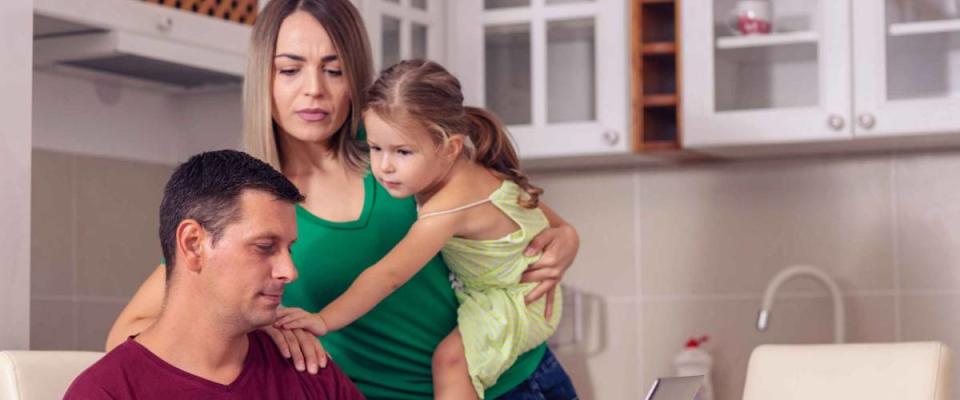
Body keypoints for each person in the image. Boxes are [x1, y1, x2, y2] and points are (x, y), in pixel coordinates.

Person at [106, 1, 581, 398]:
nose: (314, 89)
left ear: (356, 77)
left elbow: (529, 214)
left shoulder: (398, 149)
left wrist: (566, 241)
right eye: (290, 69)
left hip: (518, 382)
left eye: (334, 69)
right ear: (263, 78)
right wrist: (264, 331)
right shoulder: (250, 202)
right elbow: (129, 333)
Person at [274, 59, 573, 400]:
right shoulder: (474, 171)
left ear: (450, 147)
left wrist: (324, 320)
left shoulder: (449, 205)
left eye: (402, 152)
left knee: (450, 361)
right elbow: (552, 223)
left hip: (515, 302)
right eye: (375, 148)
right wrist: (570, 237)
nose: (384, 166)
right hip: (513, 298)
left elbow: (389, 274)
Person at [65, 150, 364, 400]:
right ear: (194, 244)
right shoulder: (106, 392)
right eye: (265, 246)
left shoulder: (307, 367)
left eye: (289, 249)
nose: (289, 271)